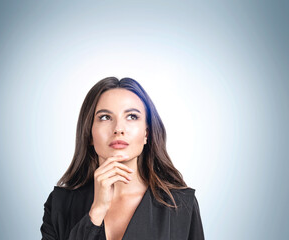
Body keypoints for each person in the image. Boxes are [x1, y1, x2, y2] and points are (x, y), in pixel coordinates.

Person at [40, 77, 205, 240]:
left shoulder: (181, 205)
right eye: (105, 117)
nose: (118, 129)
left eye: (132, 116)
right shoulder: (59, 204)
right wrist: (96, 212)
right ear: (89, 133)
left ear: (146, 133)